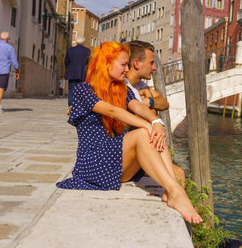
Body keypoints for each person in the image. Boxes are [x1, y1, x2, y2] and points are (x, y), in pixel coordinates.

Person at [56, 41, 202, 224]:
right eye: (123, 64)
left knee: (155, 131)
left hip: (115, 160)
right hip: (92, 162)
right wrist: (148, 126)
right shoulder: (83, 90)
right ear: (106, 64)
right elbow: (112, 111)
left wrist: (156, 122)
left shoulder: (121, 89)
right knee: (143, 132)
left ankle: (172, 190)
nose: (126, 69)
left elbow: (138, 108)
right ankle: (176, 192)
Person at [125, 40, 186, 187]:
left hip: (140, 148)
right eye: (151, 63)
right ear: (137, 63)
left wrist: (149, 101)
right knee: (178, 174)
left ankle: (177, 198)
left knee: (178, 174)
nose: (154, 68)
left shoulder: (139, 85)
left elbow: (164, 103)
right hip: (130, 151)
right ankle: (179, 200)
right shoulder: (124, 88)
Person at [64, 36, 90, 108]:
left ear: (76, 42)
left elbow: (66, 61)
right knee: (81, 91)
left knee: (71, 90)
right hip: (82, 74)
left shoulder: (70, 50)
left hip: (71, 74)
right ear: (84, 42)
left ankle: (71, 105)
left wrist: (68, 69)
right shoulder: (87, 51)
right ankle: (79, 106)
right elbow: (87, 63)